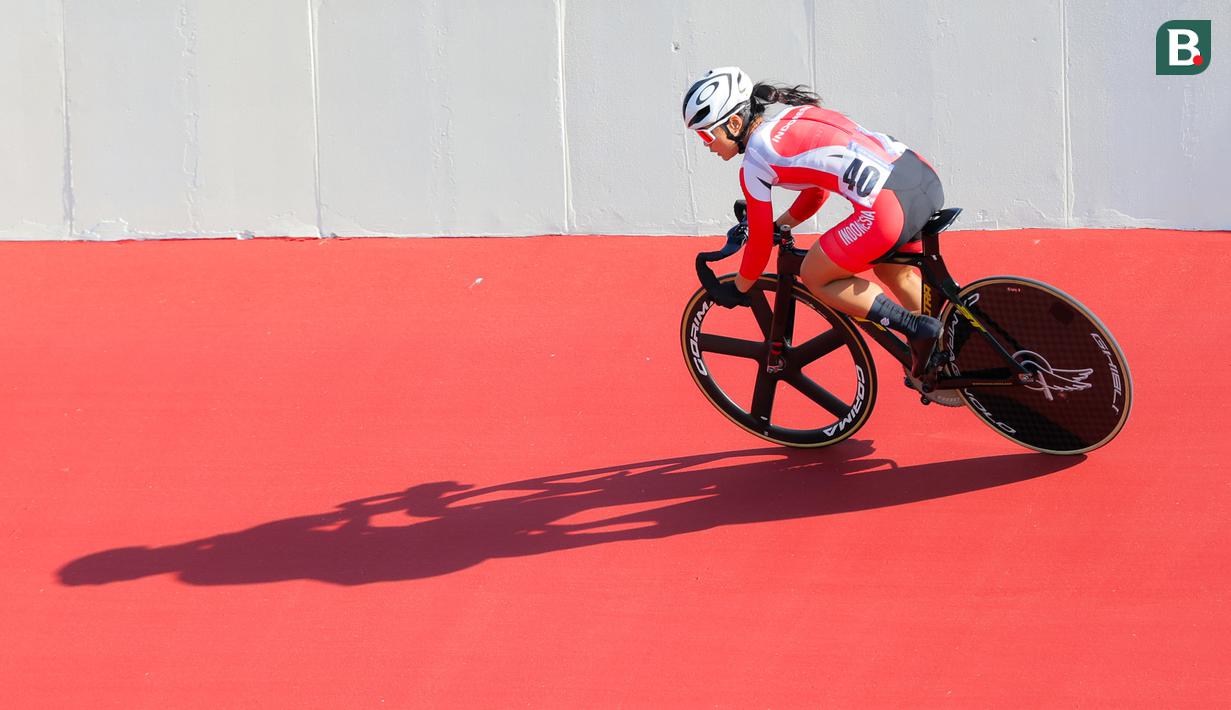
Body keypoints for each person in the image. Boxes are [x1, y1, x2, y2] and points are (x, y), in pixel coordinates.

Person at [682, 66, 945, 378]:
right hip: (921, 177)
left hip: (889, 211)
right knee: (893, 271)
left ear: (735, 123)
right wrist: (781, 225)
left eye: (705, 134)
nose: (706, 145)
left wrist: (738, 289)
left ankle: (914, 327)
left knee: (815, 275)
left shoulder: (754, 161)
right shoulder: (794, 114)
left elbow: (760, 244)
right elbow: (816, 192)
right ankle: (952, 350)